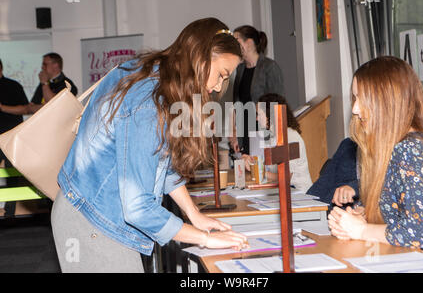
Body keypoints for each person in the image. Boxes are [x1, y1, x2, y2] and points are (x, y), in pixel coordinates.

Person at [51, 18, 249, 273]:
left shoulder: (153, 75)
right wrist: (205, 239)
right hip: (93, 223)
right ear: (200, 56)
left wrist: (193, 214)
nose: (218, 86)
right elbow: (137, 207)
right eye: (221, 74)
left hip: (93, 213)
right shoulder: (148, 101)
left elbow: (160, 163)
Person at [328, 56, 423, 255]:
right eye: (355, 98)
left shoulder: (411, 150)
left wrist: (361, 230)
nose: (355, 109)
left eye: (361, 99)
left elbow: (417, 233)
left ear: (386, 101)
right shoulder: (396, 147)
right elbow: (395, 208)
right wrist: (361, 214)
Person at [230, 25, 285, 155]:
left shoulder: (269, 67)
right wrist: (233, 133)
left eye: (236, 40)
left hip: (262, 130)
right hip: (244, 130)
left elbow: (278, 103)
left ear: (249, 43)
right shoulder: (240, 69)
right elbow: (235, 103)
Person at [242, 93, 312, 192]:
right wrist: (250, 161)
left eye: (259, 114)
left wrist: (259, 172)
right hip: (284, 190)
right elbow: (266, 166)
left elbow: (286, 176)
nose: (257, 119)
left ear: (270, 114)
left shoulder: (290, 136)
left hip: (298, 192)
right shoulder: (272, 136)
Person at [0, 53, 77, 116]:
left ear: (55, 65)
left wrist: (45, 83)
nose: (42, 67)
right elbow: (30, 108)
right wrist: (43, 106)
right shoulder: (43, 84)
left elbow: (54, 105)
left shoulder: (67, 84)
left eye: (45, 64)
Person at [306, 138, 359, 206]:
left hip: (350, 209)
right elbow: (325, 180)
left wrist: (356, 186)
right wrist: (306, 203)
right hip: (328, 207)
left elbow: (374, 186)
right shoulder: (347, 144)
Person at [0, 58, 29, 167]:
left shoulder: (13, 86)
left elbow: (26, 109)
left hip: (10, 137)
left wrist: (2, 107)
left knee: (12, 172)